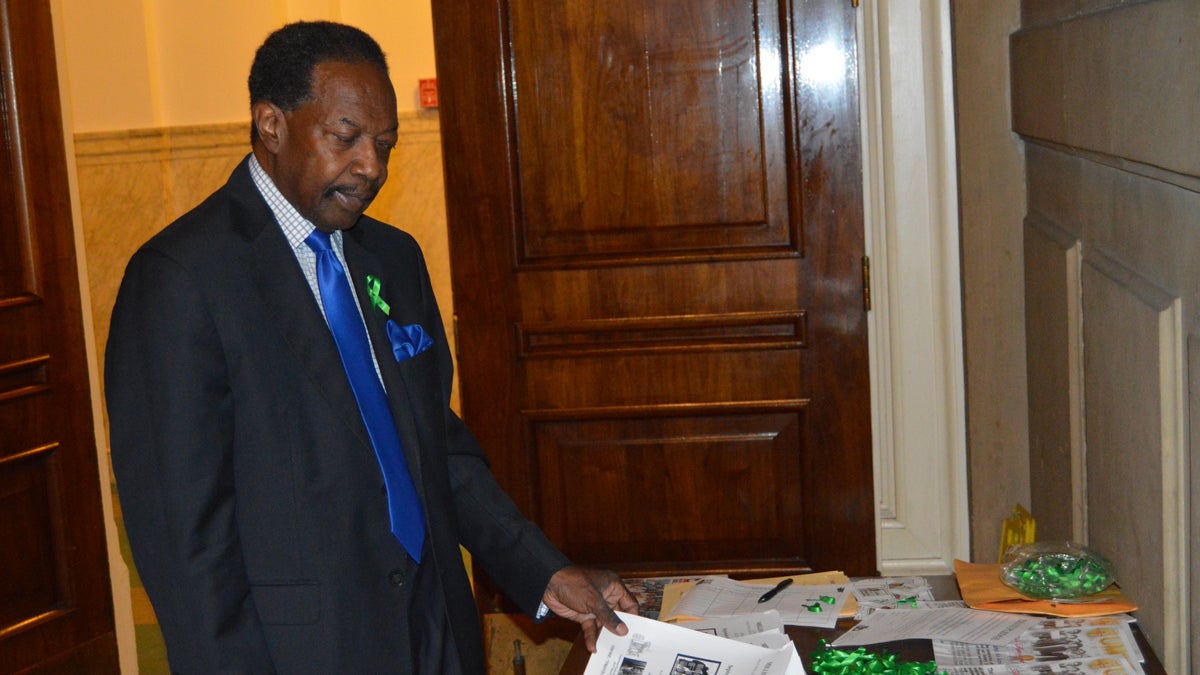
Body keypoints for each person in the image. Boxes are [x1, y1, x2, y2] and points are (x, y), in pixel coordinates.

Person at [105, 20, 636, 673]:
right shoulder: (181, 280)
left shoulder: (393, 257)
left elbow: (435, 445)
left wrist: (541, 569)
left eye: (385, 143)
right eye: (345, 138)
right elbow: (185, 540)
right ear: (271, 125)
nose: (372, 167)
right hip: (308, 650)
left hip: (436, 625)